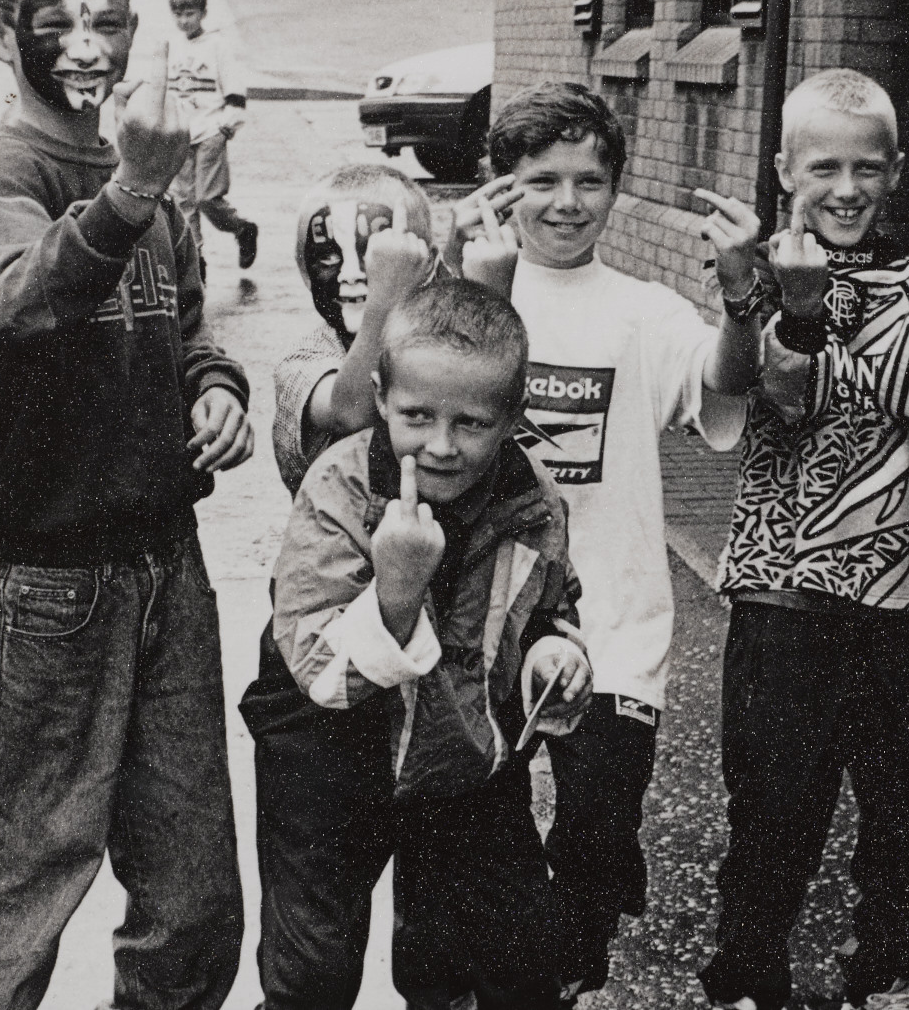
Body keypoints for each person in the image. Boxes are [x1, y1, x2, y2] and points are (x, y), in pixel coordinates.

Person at [0, 0, 252, 1010]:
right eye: (56, 23)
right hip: (52, 582)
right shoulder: (6, 171)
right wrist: (127, 191)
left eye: (109, 21)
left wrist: (215, 387)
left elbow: (189, 325)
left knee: (195, 897)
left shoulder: (148, 170)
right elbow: (17, 299)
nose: (88, 46)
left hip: (170, 565)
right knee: (18, 886)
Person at [440, 81, 760, 1001]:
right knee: (477, 843)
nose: (568, 202)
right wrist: (457, 272)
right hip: (486, 627)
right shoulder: (461, 292)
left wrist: (741, 297)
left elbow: (722, 384)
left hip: (617, 633)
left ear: (616, 187)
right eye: (542, 179)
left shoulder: (643, 310)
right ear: (500, 187)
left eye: (590, 179)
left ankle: (570, 982)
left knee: (594, 838)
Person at [697, 70, 909, 1010]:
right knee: (775, 810)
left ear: (897, 171)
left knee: (908, 807)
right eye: (824, 166)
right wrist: (787, 302)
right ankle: (747, 974)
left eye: (868, 166)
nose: (847, 188)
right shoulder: (754, 274)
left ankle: (887, 972)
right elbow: (777, 395)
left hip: (902, 593)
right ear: (784, 170)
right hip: (785, 592)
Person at [245, 278, 593, 1010]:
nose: (441, 443)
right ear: (378, 396)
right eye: (417, 415)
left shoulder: (532, 499)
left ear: (512, 416)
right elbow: (319, 670)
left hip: (462, 747)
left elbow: (546, 605)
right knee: (312, 963)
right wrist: (396, 591)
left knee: (510, 949)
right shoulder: (337, 487)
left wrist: (551, 656)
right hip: (326, 747)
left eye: (470, 422)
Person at [269, 162, 442, 498]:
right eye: (329, 258)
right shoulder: (304, 361)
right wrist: (385, 298)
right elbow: (352, 412)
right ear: (304, 270)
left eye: (375, 256)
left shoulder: (431, 342)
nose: (351, 273)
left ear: (425, 264)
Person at [166, 0, 260, 269]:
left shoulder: (217, 46)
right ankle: (196, 262)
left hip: (210, 131)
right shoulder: (173, 47)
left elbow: (234, 89)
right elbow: (166, 90)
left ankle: (242, 229)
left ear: (203, 13)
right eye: (179, 14)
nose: (184, 20)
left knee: (207, 198)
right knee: (184, 201)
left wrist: (227, 125)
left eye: (190, 14)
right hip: (182, 133)